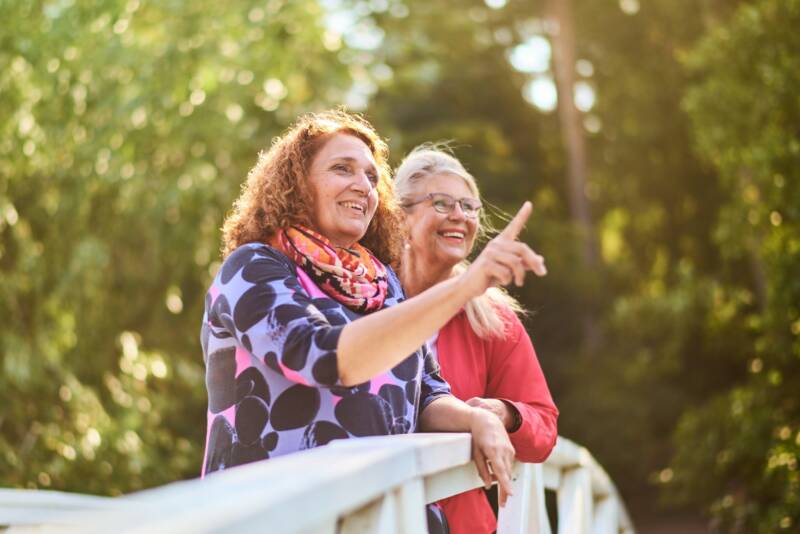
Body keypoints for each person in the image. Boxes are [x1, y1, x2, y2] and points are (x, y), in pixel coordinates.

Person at [200, 111, 546, 531]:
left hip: (389, 520)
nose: (362, 185)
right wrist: (465, 286)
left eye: (369, 176)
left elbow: (428, 396)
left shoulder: (384, 286)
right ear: (294, 183)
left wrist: (479, 419)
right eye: (341, 169)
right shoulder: (253, 267)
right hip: (278, 519)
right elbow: (323, 355)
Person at [395, 145, 559, 534]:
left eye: (469, 207)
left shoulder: (492, 318)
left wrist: (501, 412)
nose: (459, 216)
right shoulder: (361, 297)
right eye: (441, 203)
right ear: (400, 217)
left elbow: (543, 429)